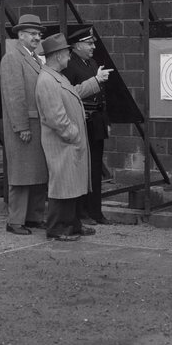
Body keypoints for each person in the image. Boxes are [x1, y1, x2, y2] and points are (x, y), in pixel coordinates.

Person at [34, 33, 111, 241]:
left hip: (68, 142)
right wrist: (73, 134)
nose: (69, 56)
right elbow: (55, 117)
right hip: (63, 142)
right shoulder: (48, 81)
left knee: (72, 185)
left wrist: (96, 81)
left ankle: (73, 225)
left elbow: (75, 93)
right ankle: (58, 229)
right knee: (62, 187)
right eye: (67, 52)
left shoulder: (57, 76)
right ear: (58, 55)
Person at [0, 13, 48, 235]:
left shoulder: (35, 58)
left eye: (38, 34)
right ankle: (15, 221)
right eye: (32, 34)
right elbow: (14, 95)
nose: (37, 38)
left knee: (36, 173)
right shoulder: (12, 58)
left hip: (36, 125)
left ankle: (34, 217)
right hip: (24, 126)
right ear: (20, 35)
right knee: (21, 175)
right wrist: (21, 127)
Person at [62, 26, 113, 225]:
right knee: (83, 168)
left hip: (96, 120)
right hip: (82, 120)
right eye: (89, 43)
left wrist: (105, 121)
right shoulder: (69, 65)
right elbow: (69, 93)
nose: (93, 46)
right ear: (77, 45)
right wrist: (95, 80)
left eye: (93, 43)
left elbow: (101, 95)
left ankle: (95, 212)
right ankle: (82, 212)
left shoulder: (91, 62)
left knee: (96, 167)